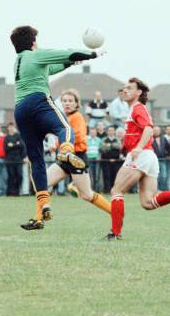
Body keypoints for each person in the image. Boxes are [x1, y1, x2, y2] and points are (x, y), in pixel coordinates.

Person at [10, 25, 102, 230]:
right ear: (33, 42)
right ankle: (67, 152)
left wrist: (71, 62)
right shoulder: (35, 55)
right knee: (65, 129)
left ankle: (44, 203)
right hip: (37, 101)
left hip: (20, 109)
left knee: (36, 159)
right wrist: (91, 54)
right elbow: (66, 52)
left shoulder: (20, 61)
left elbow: (53, 67)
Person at [105, 78, 170, 240]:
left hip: (141, 155)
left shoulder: (137, 108)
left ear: (138, 93)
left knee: (116, 191)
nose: (125, 90)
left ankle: (115, 233)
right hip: (149, 156)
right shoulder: (133, 110)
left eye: (129, 88)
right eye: (124, 88)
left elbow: (149, 129)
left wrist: (138, 147)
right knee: (148, 203)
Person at [36, 90, 113, 225]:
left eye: (70, 101)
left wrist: (58, 143)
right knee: (42, 183)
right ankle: (39, 219)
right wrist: (55, 143)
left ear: (77, 103)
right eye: (64, 100)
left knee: (87, 195)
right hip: (65, 157)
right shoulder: (63, 118)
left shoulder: (77, 117)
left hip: (77, 157)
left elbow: (78, 136)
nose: (67, 103)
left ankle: (115, 212)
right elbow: (63, 134)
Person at [4, 122, 26, 196]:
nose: (11, 128)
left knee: (19, 175)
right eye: (9, 127)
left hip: (18, 159)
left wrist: (12, 145)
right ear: (8, 128)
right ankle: (11, 192)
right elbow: (6, 149)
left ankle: (17, 191)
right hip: (9, 160)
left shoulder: (18, 136)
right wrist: (16, 145)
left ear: (14, 128)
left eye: (12, 127)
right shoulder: (6, 137)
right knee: (11, 176)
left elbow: (22, 146)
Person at [100, 126, 122, 193]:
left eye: (112, 130)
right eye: (109, 130)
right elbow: (103, 148)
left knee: (115, 176)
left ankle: (114, 190)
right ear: (107, 131)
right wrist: (113, 146)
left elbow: (119, 146)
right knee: (106, 176)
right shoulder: (104, 139)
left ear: (114, 131)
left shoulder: (117, 139)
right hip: (106, 161)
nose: (111, 132)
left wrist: (109, 145)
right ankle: (107, 190)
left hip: (116, 161)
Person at [152, 126, 170, 191]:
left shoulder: (164, 138)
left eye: (157, 130)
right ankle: (156, 189)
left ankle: (162, 188)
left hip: (163, 159)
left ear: (160, 131)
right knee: (156, 176)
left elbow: (169, 147)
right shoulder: (150, 139)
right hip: (154, 160)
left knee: (163, 175)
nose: (156, 131)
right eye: (155, 130)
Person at [86, 127, 102, 192]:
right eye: (91, 132)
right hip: (89, 159)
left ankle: (96, 189)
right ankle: (90, 189)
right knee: (89, 175)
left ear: (96, 133)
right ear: (89, 132)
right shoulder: (86, 139)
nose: (93, 133)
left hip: (97, 160)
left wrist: (99, 156)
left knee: (97, 175)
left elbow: (100, 150)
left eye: (94, 132)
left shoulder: (99, 140)